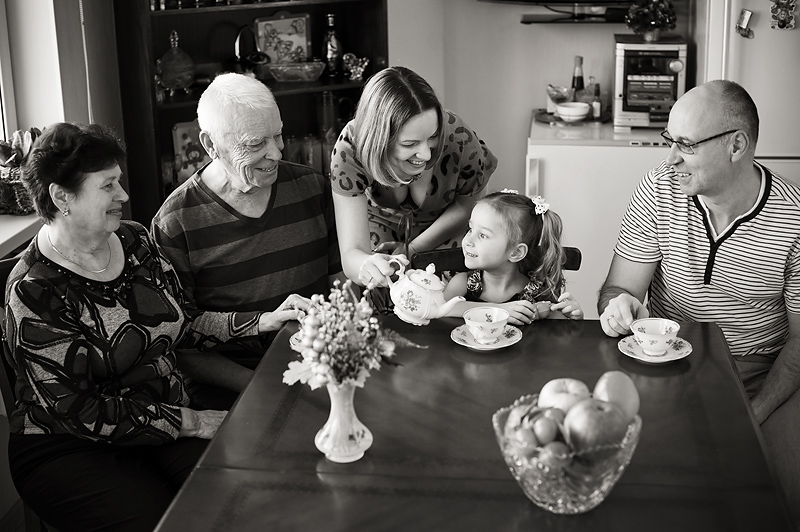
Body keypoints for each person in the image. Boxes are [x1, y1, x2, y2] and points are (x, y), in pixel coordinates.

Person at [3, 122, 274, 531]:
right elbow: (78, 410)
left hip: (162, 413)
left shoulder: (134, 241)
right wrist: (193, 421)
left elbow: (182, 324)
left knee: (236, 502)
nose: (124, 195)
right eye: (108, 185)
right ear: (62, 197)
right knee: (165, 524)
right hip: (71, 444)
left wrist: (263, 321)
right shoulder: (33, 289)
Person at [597, 80, 800, 528]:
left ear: (736, 145)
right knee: (645, 485)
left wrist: (755, 411)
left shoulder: (795, 219)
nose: (670, 158)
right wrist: (619, 306)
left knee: (777, 497)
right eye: (669, 140)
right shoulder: (659, 188)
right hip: (669, 360)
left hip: (761, 372)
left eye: (686, 145)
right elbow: (618, 288)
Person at [151, 73, 342, 394]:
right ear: (210, 145)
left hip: (323, 370)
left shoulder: (312, 187)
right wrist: (262, 388)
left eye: (278, 135)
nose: (276, 153)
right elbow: (180, 343)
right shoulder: (175, 223)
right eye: (255, 144)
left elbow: (341, 283)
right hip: (238, 389)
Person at [329, 66, 497, 290]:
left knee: (451, 292)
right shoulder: (350, 150)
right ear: (378, 141)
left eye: (433, 137)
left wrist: (413, 249)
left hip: (447, 225)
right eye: (410, 144)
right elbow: (352, 253)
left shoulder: (459, 137)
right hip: (380, 225)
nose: (426, 154)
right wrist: (367, 265)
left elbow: (468, 206)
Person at [442, 191, 584, 324]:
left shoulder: (539, 294)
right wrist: (500, 310)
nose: (468, 240)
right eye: (470, 229)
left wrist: (573, 320)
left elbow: (558, 333)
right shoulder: (462, 283)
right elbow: (439, 308)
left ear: (516, 253)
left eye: (483, 235)